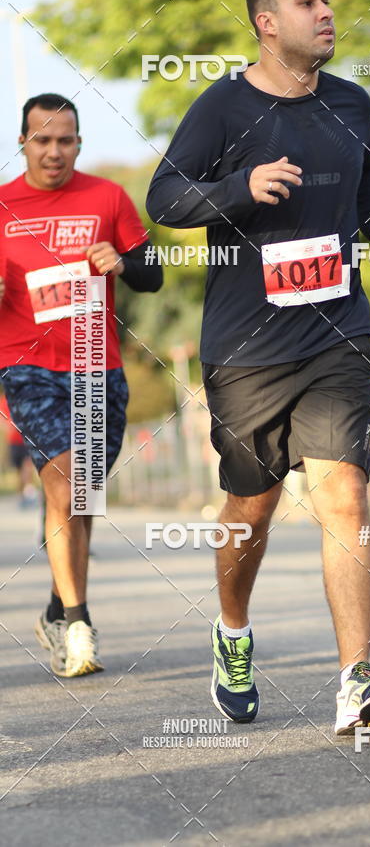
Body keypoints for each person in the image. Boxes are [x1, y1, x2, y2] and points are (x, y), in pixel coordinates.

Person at [146, 0, 370, 735]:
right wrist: (238, 188)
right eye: (309, 1)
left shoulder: (353, 103)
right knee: (250, 511)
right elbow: (163, 197)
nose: (327, 10)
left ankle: (355, 680)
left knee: (345, 496)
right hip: (246, 349)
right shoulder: (223, 107)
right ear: (268, 21)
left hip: (336, 332)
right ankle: (232, 631)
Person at [0, 93, 163, 677]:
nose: (53, 151)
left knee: (82, 497)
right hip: (28, 366)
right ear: (22, 143)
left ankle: (54, 607)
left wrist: (122, 260)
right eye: (41, 140)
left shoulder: (107, 198)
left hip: (99, 366)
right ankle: (78, 621)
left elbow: (153, 275)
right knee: (66, 487)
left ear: (78, 144)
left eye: (65, 140)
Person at [0, 392, 37, 507]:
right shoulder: (4, 400)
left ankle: (29, 492)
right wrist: (8, 426)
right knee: (19, 470)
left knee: (27, 466)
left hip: (26, 440)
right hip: (13, 441)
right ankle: (23, 495)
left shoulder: (26, 397)